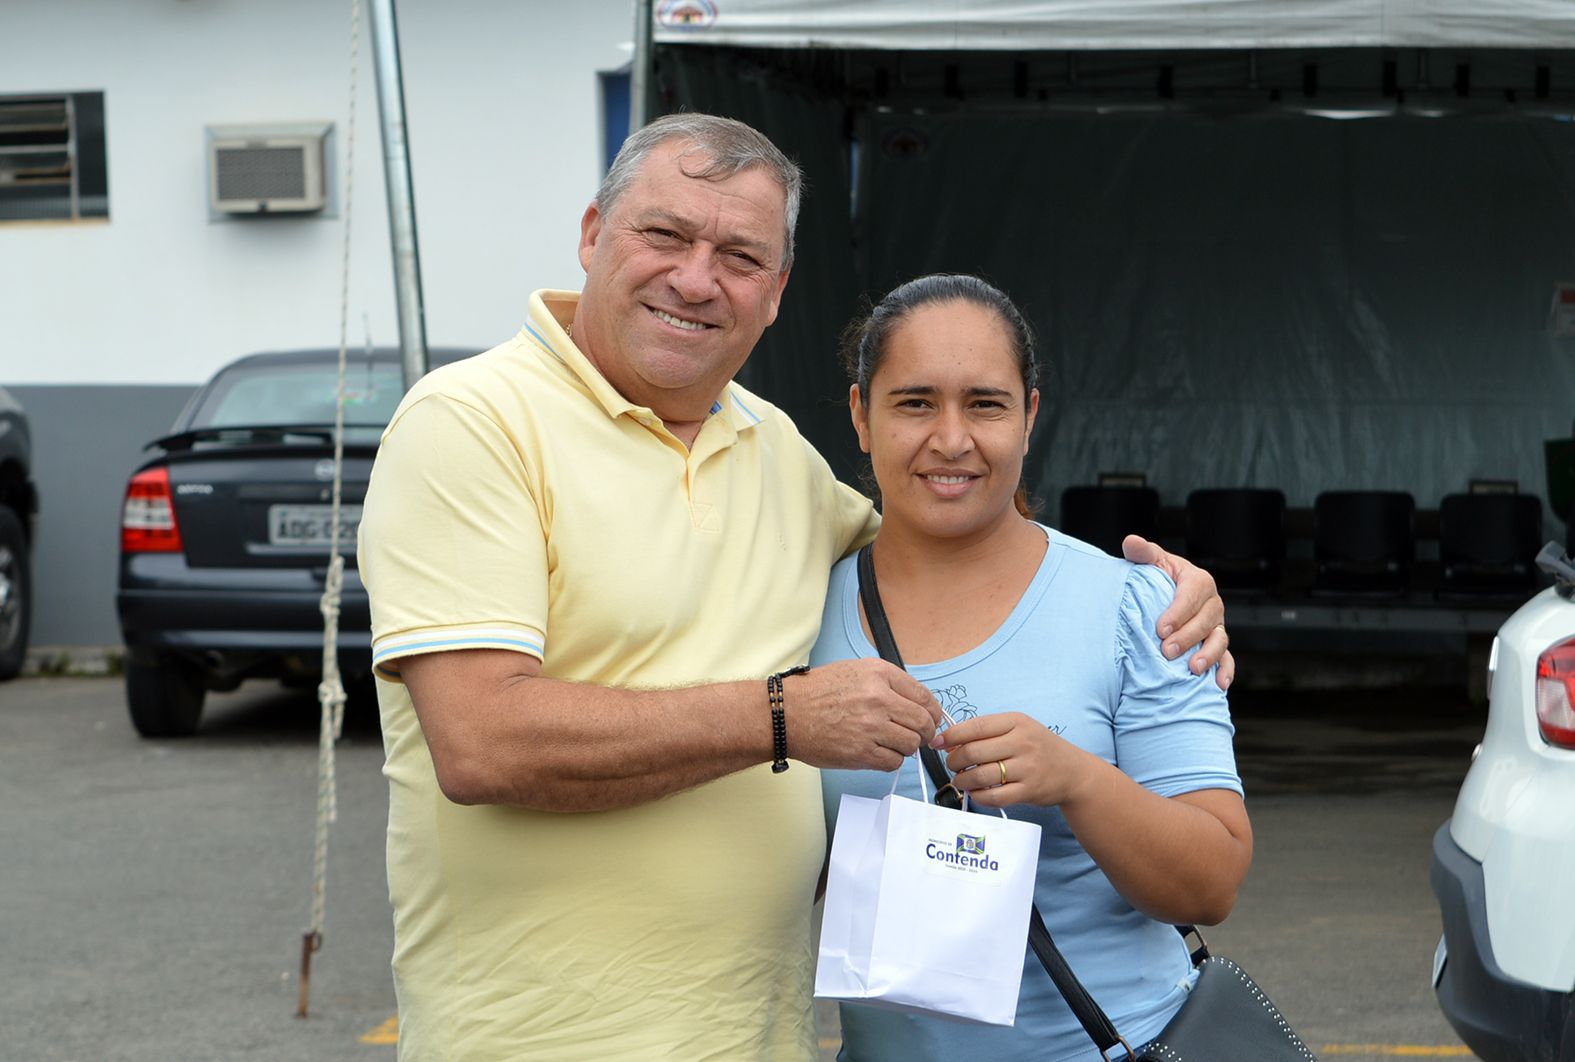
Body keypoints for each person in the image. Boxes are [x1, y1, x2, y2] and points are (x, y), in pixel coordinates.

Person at [357, 114, 1232, 1060]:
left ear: (775, 293)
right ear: (592, 233)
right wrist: (782, 715)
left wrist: (1166, 593)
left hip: (755, 1035)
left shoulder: (771, 452)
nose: (697, 279)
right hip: (542, 1038)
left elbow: (944, 534)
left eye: (740, 256)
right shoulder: (472, 423)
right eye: (665, 234)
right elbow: (480, 743)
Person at [813, 273, 1252, 1061]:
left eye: (985, 404)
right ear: (860, 416)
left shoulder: (1138, 608)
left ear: (1029, 418)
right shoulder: (798, 611)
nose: (951, 439)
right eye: (914, 403)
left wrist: (1078, 780)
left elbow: (1210, 881)